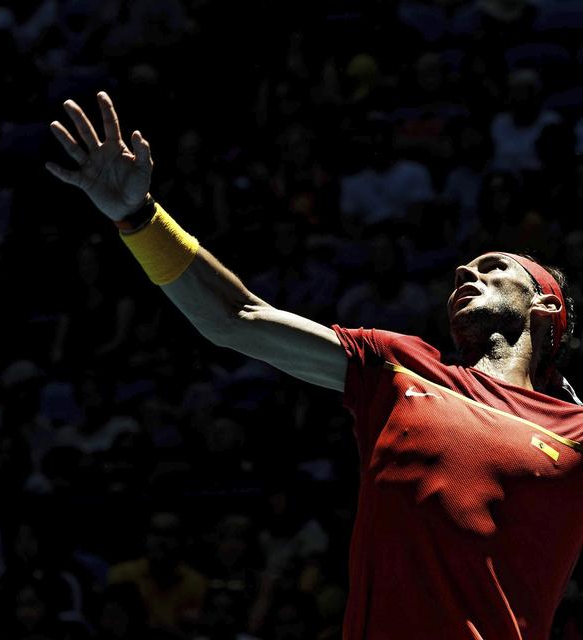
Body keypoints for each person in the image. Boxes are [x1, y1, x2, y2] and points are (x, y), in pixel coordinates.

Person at [46, 91, 583, 639]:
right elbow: (237, 317)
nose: (467, 271)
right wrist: (138, 218)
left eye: (493, 268)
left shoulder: (577, 434)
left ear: (546, 304)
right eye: (462, 270)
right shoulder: (399, 367)